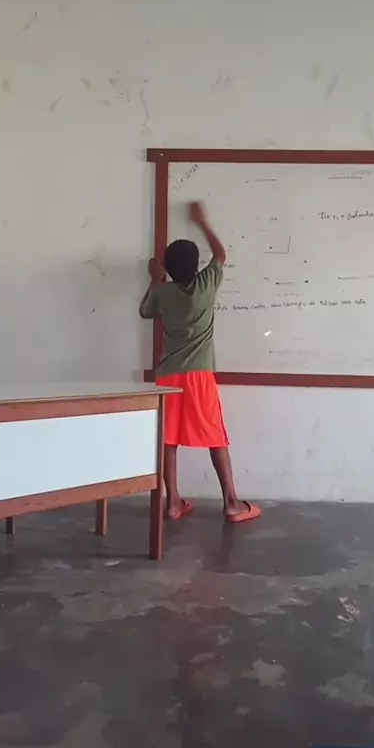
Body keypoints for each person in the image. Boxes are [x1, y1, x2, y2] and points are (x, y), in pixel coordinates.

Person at [139, 201, 261, 523]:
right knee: (215, 435)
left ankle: (172, 502)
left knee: (168, 438)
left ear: (167, 268)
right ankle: (231, 502)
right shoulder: (205, 285)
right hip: (198, 376)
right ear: (196, 267)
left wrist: (155, 280)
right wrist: (202, 221)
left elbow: (145, 312)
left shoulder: (163, 292)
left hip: (167, 375)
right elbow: (220, 254)